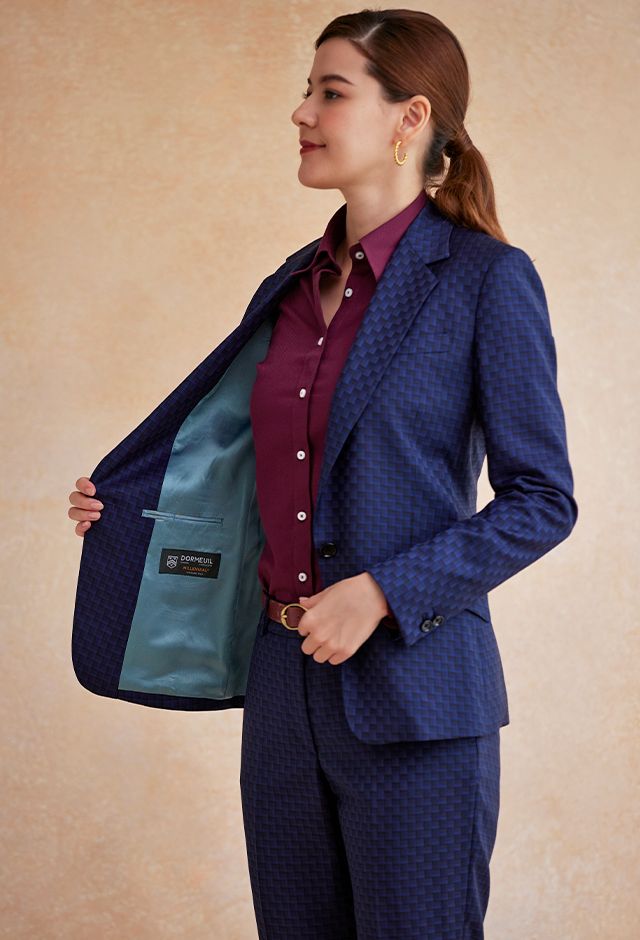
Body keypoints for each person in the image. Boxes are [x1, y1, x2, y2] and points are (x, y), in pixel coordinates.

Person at [68, 9, 578, 939]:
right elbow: (245, 463)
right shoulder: (292, 286)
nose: (301, 112)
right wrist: (135, 507)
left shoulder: (485, 279)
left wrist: (382, 593)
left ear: (409, 117)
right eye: (307, 91)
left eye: (330, 92)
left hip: (418, 702)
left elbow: (544, 500)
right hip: (280, 695)